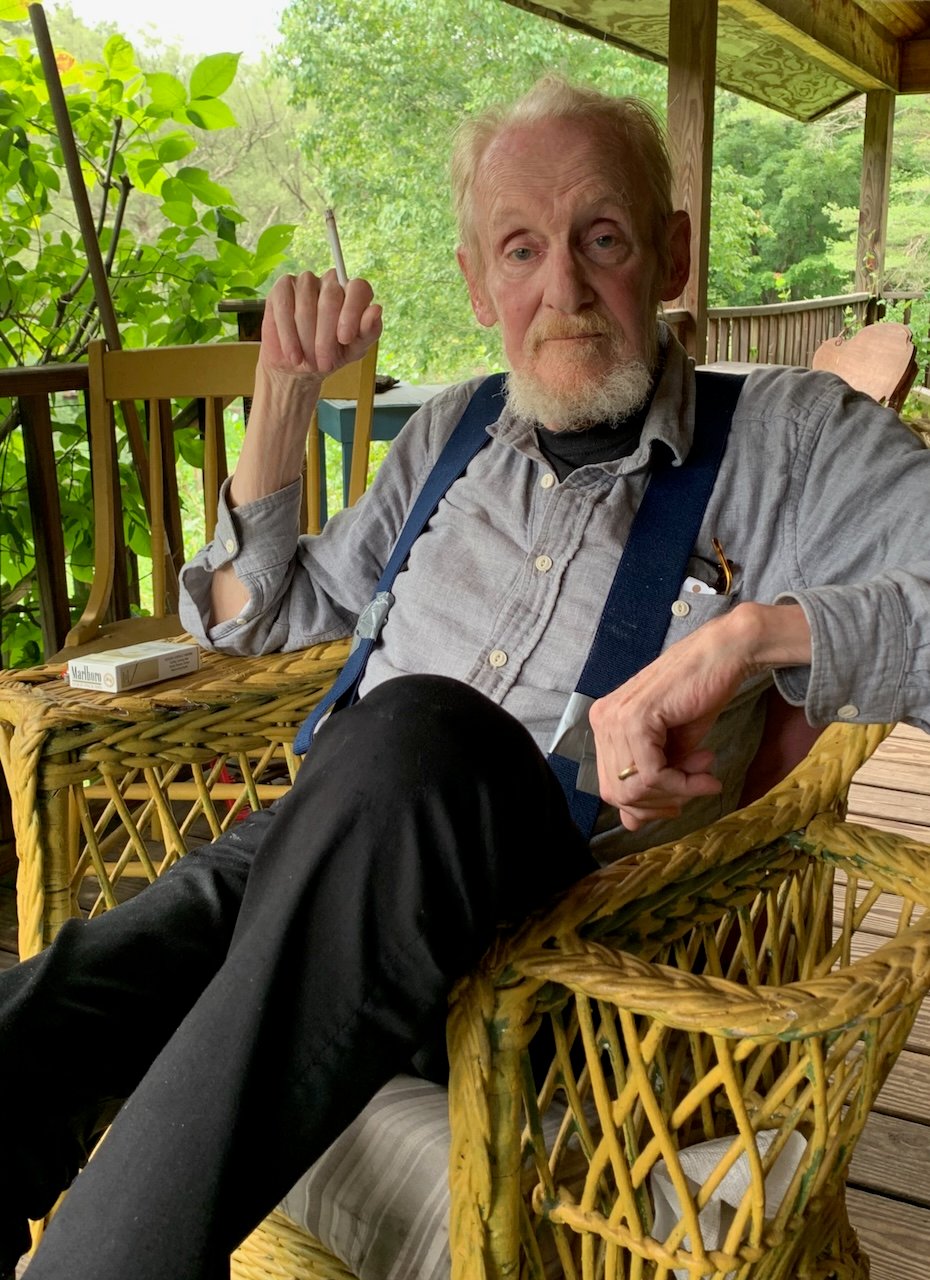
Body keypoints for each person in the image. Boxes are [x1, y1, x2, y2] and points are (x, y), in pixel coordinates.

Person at [3, 75, 929, 1280]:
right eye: (522, 249)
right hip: (314, 855)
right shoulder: (450, 434)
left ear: (670, 253)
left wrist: (753, 636)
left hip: (536, 935)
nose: (563, 288)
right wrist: (281, 395)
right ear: (479, 280)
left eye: (602, 237)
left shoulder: (791, 440)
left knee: (414, 731)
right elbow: (258, 618)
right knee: (67, 995)